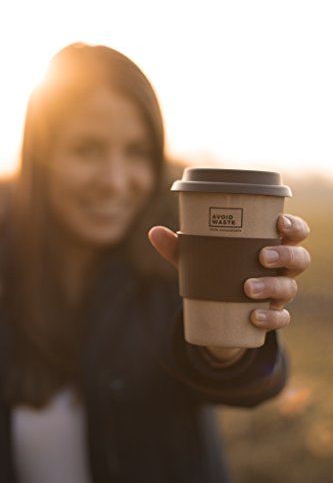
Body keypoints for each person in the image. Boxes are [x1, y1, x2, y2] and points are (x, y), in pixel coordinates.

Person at [0, 42, 310, 483]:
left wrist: (229, 346)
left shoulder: (179, 263)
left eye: (136, 152)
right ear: (40, 158)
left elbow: (248, 384)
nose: (115, 181)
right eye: (87, 149)